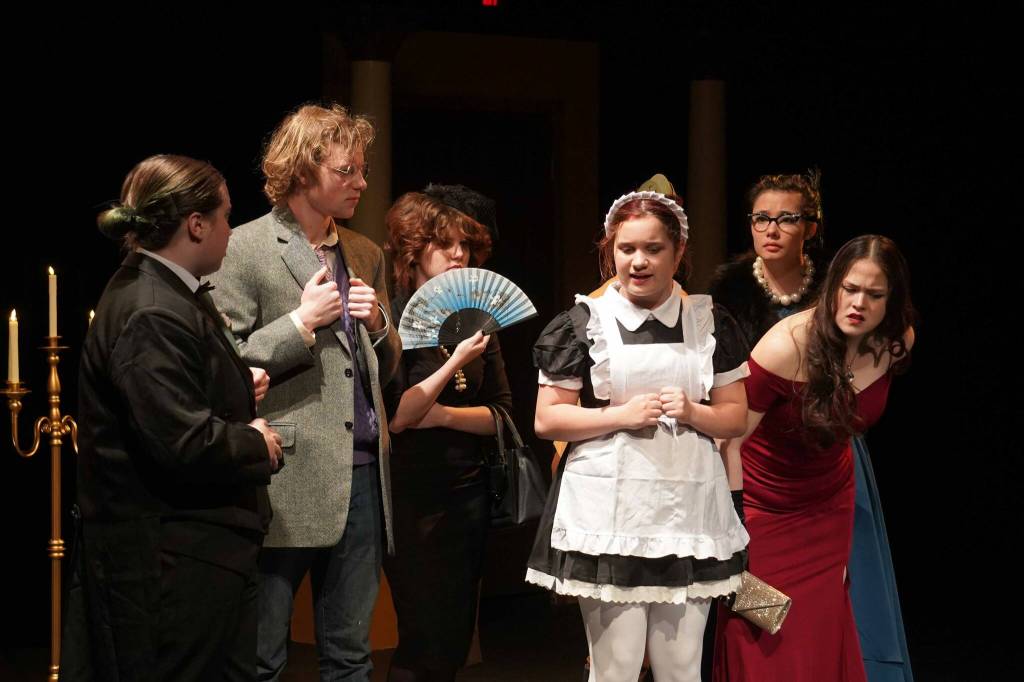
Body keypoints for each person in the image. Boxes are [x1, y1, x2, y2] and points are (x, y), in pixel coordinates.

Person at [526, 175, 749, 682]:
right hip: (611, 510)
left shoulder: (710, 322)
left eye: (653, 248)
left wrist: (695, 412)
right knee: (617, 667)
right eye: (626, 249)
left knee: (680, 666)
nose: (638, 261)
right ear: (611, 253)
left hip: (688, 510)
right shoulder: (584, 323)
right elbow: (548, 418)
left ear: (678, 252)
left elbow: (736, 414)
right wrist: (619, 416)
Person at [70, 154, 282, 681]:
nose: (231, 230)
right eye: (227, 216)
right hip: (171, 563)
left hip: (197, 555)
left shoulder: (170, 294)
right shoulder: (151, 308)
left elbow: (169, 401)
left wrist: (233, 387)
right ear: (195, 224)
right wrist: (258, 442)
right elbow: (181, 442)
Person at [209, 103, 402, 680]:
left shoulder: (365, 252)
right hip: (285, 472)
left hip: (364, 472)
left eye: (362, 170)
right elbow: (222, 366)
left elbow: (384, 372)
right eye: (347, 171)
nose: (361, 183)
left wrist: (380, 328)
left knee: (350, 655)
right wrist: (300, 322)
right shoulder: (243, 248)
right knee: (262, 655)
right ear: (301, 171)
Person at [710, 176, 913, 681]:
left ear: (892, 301)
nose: (858, 303)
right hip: (763, 507)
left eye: (874, 294)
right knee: (762, 630)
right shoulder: (789, 342)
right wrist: (731, 527)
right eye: (849, 289)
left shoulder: (895, 344)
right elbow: (727, 436)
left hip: (830, 505)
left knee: (819, 630)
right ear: (833, 285)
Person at [381, 187, 512, 682]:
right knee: (422, 634)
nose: (459, 255)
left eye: (466, 246)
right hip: (411, 493)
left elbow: (502, 413)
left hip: (469, 491)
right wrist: (455, 361)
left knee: (457, 635)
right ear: (415, 250)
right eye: (446, 244)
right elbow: (399, 416)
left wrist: (445, 417)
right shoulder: (390, 319)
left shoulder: (478, 323)